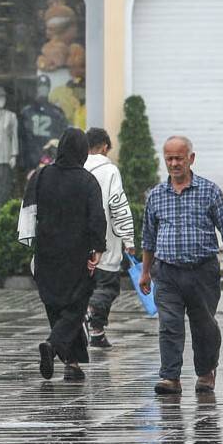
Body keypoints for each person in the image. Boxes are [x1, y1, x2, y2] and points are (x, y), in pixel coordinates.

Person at [140, 136, 223, 395]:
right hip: (166, 272)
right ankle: (170, 377)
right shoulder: (155, 196)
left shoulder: (209, 191)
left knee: (204, 325)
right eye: (169, 159)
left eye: (179, 158)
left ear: (191, 159)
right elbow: (148, 237)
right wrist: (145, 272)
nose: (174, 164)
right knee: (169, 325)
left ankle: (206, 372)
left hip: (202, 271)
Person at [21, 127, 106, 382]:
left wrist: (30, 244)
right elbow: (96, 218)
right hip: (76, 255)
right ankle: (52, 344)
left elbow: (28, 211)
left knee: (55, 307)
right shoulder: (87, 181)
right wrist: (98, 249)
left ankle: (72, 362)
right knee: (75, 308)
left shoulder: (42, 175)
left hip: (47, 253)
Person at [84, 128, 134, 348]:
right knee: (107, 288)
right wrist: (129, 239)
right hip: (106, 242)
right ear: (104, 146)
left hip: (79, 243)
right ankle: (91, 312)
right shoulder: (110, 170)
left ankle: (97, 332)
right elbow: (118, 205)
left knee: (85, 286)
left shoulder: (76, 167)